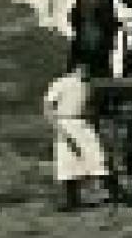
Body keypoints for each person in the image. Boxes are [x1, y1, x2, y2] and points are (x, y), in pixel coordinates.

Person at [42, 63, 117, 209]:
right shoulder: (60, 83)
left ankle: (108, 194)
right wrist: (58, 127)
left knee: (97, 157)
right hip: (65, 122)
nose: (85, 73)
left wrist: (94, 122)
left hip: (83, 124)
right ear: (75, 70)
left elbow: (90, 107)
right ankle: (72, 201)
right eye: (82, 70)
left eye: (87, 71)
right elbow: (48, 107)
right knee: (68, 161)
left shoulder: (87, 86)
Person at [66, 0, 122, 78]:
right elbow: (106, 22)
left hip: (81, 42)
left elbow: (72, 18)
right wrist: (116, 24)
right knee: (98, 78)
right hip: (98, 45)